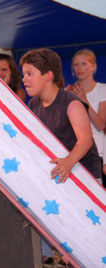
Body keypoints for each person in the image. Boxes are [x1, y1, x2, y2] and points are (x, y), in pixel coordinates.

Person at [21, 48, 102, 183]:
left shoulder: (71, 103)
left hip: (86, 175)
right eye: (23, 75)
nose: (24, 79)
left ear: (48, 75)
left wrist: (68, 163)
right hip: (60, 170)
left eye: (29, 74)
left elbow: (85, 140)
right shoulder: (33, 104)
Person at [66, 49, 106, 180]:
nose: (79, 68)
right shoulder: (67, 92)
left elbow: (100, 125)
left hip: (98, 153)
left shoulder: (102, 89)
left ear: (93, 67)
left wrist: (84, 101)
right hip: (75, 153)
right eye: (76, 64)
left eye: (83, 64)